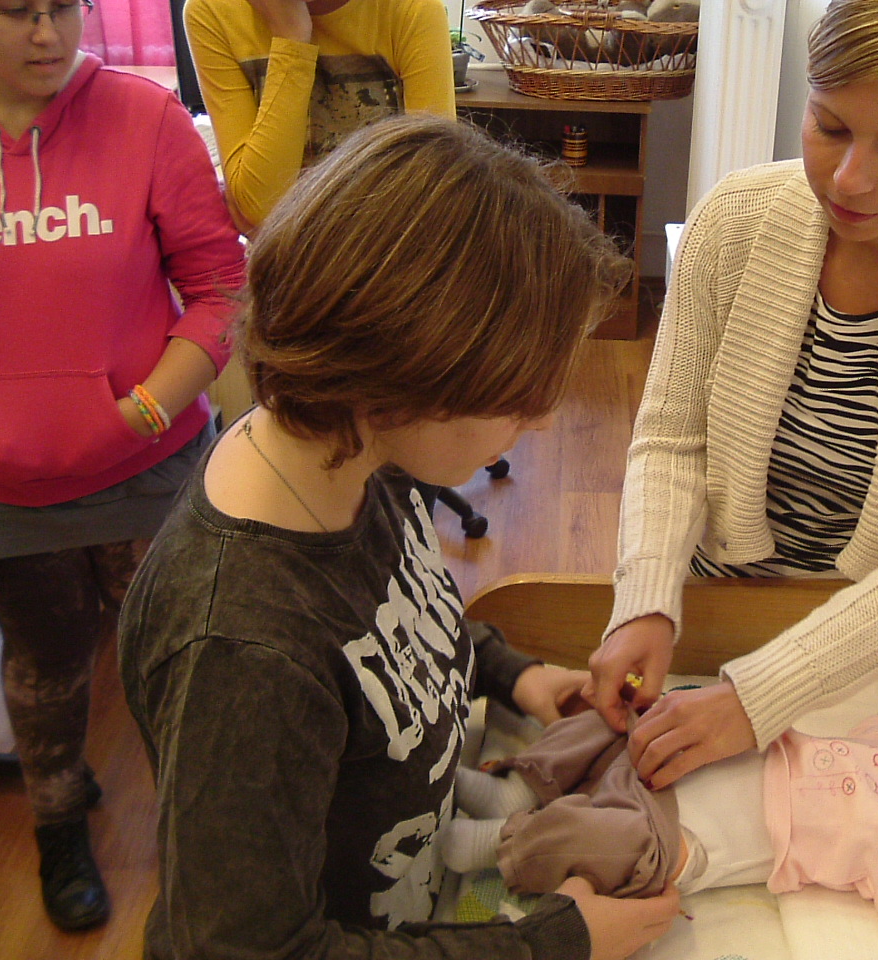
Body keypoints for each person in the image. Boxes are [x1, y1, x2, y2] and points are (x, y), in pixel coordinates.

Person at [117, 114, 680, 960]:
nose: (538, 422)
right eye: (519, 401)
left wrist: (513, 674)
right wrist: (552, 946)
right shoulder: (241, 653)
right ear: (403, 383)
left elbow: (394, 619)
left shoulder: (361, 458)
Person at [584, 0, 878, 794]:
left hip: (864, 635)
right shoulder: (731, 224)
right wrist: (645, 600)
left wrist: (757, 699)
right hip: (705, 601)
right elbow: (672, 441)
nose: (849, 178)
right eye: (830, 125)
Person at [0, 0, 245, 932]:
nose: (48, 34)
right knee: (46, 662)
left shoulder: (146, 119)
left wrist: (142, 412)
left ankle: (209, 831)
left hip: (147, 471)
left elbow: (219, 287)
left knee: (183, 660)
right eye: (16, 11)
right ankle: (59, 825)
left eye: (63, 6)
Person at [444, 690, 878, 960]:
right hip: (689, 760)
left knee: (603, 839)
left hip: (684, 841)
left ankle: (500, 843)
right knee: (625, 719)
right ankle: (521, 786)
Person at [183, 0, 456, 231]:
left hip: (392, 256)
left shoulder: (411, 9)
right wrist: (291, 40)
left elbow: (436, 192)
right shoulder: (214, 11)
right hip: (285, 262)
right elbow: (262, 209)